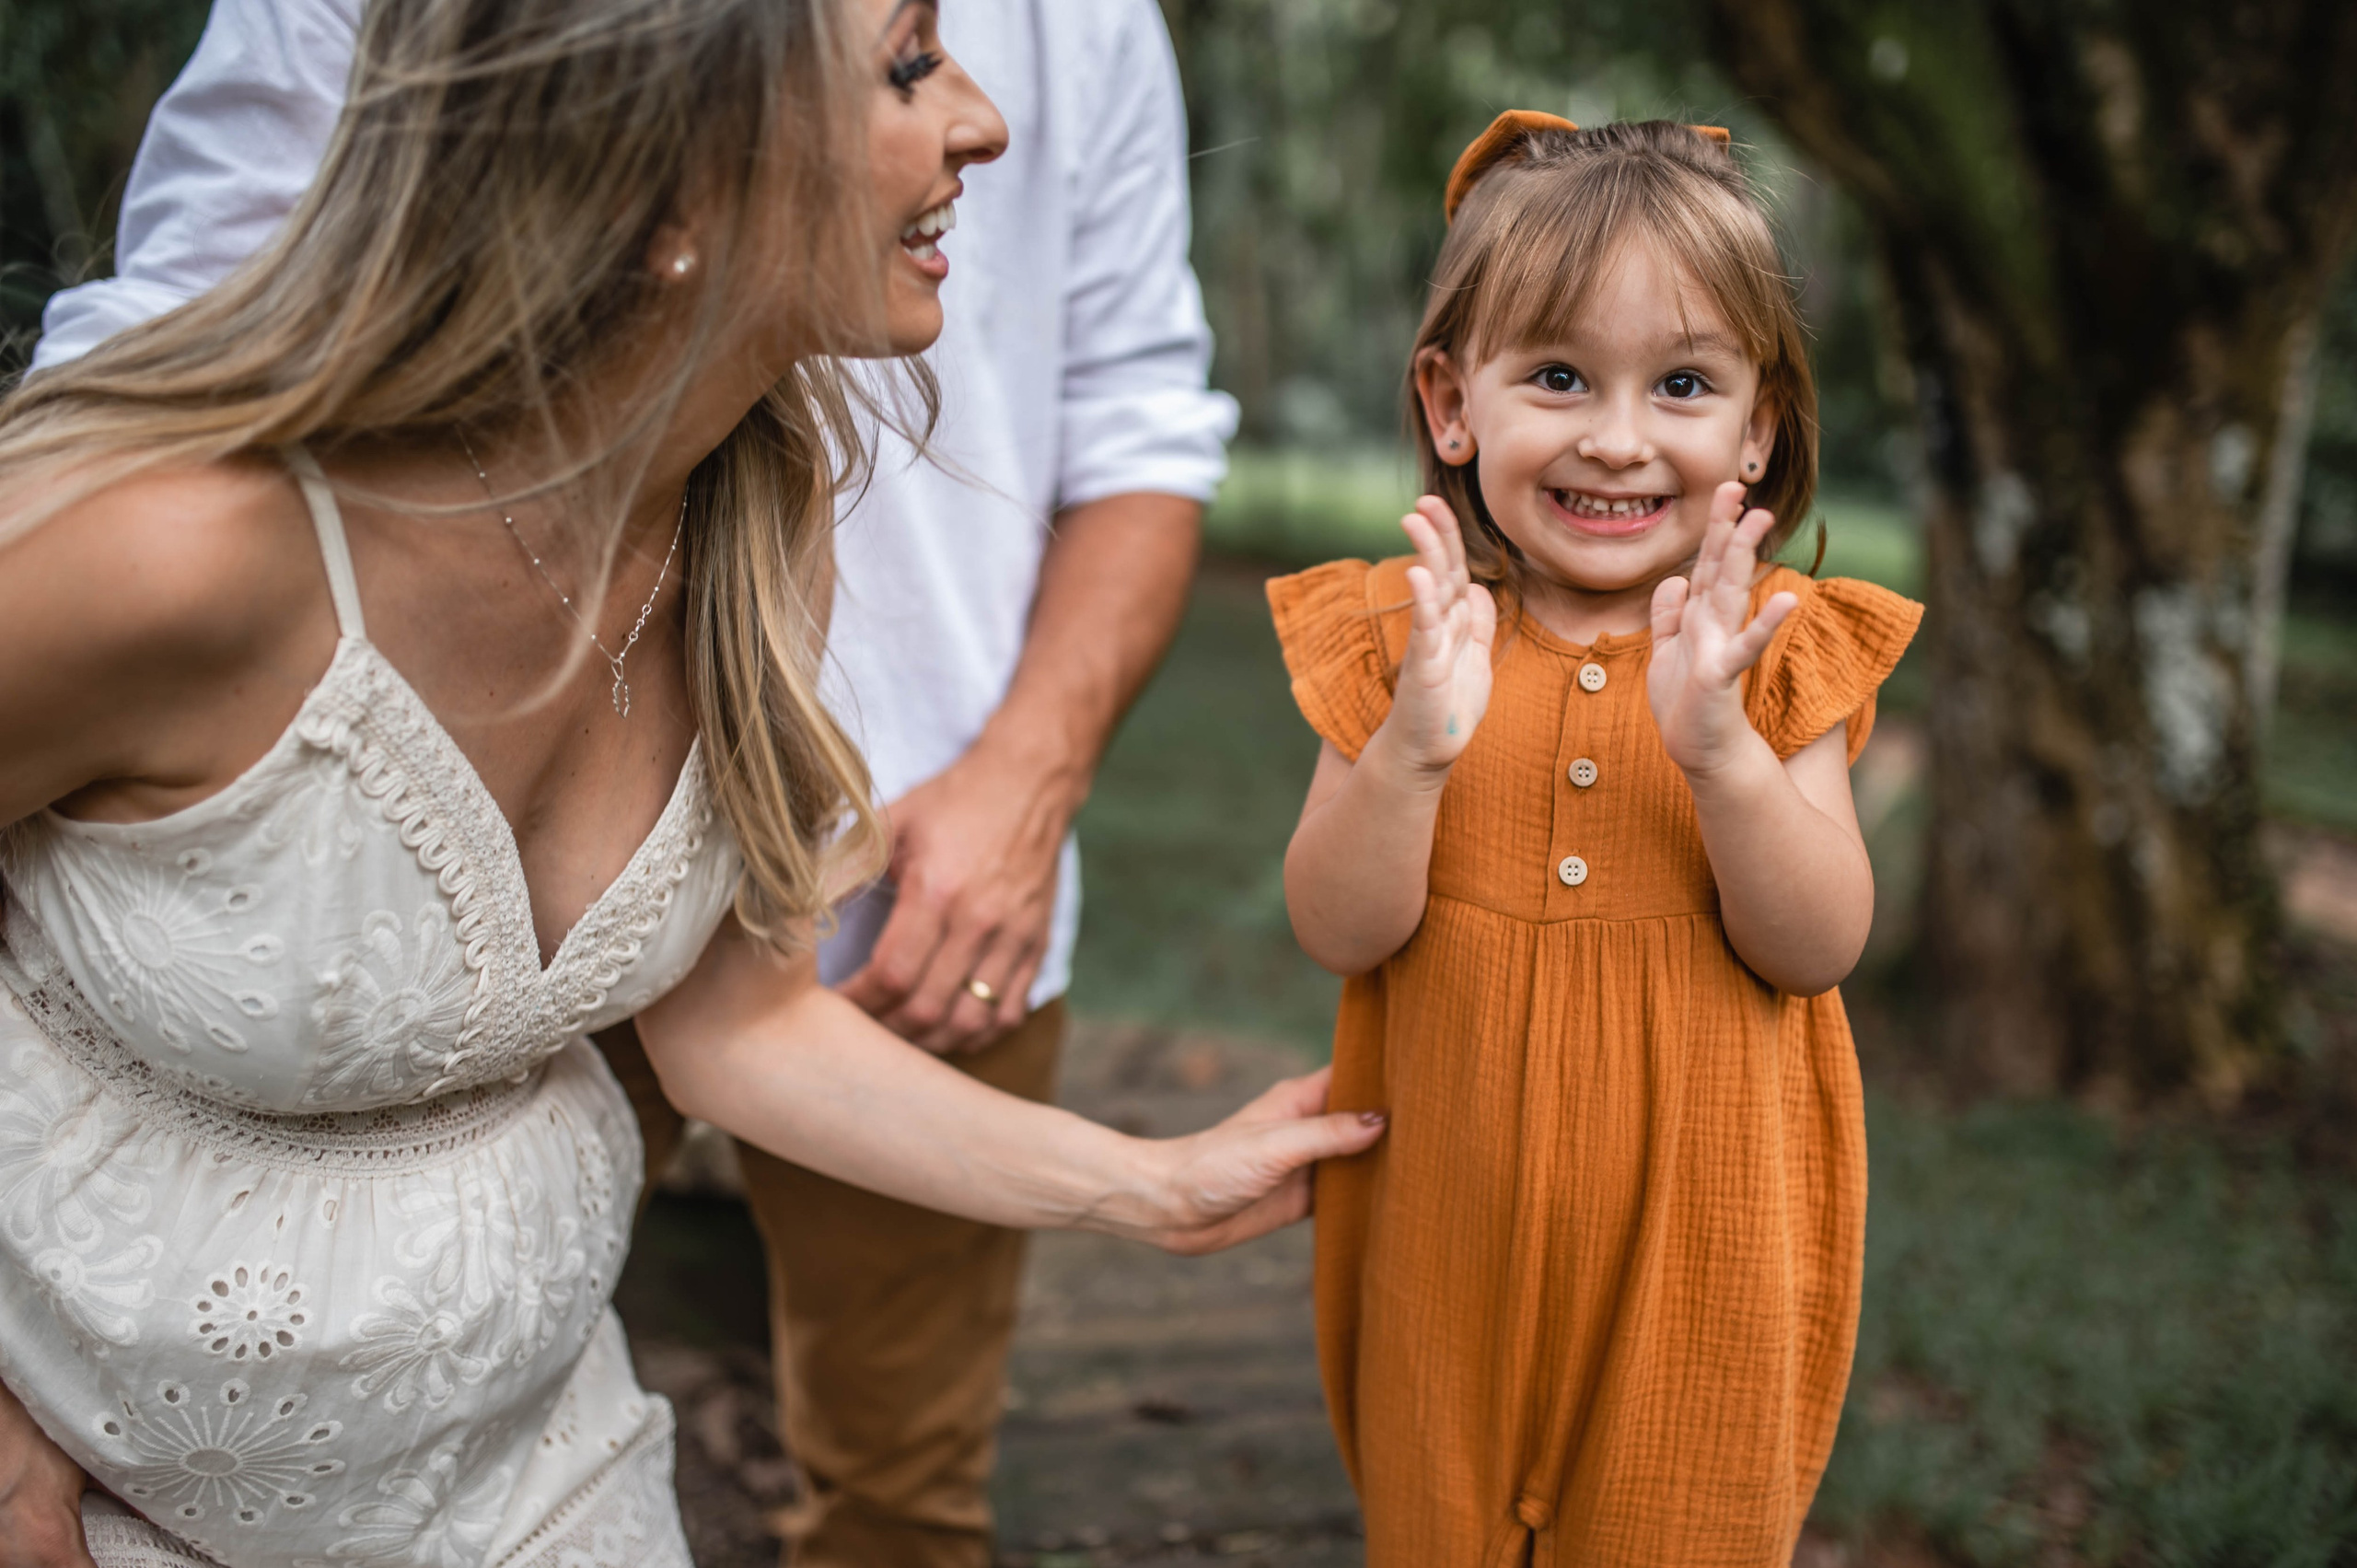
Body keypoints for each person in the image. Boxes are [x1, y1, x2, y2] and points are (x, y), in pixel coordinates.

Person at [0, 0, 1386, 1564]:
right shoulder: (174, 563)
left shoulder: (749, 529)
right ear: (669, 186)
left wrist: (1159, 1185)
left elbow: (739, 1025)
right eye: (910, 63)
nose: (986, 121)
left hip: (546, 1488)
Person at [1267, 114, 1923, 1566]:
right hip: (1450, 1239)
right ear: (1454, 403)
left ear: (1756, 427)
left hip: (1701, 1254)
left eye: (1682, 384)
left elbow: (1817, 944)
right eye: (1558, 376)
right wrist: (1413, 752)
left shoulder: (1775, 653)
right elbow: (1337, 926)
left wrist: (1724, 759)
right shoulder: (1403, 636)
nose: (1618, 438)